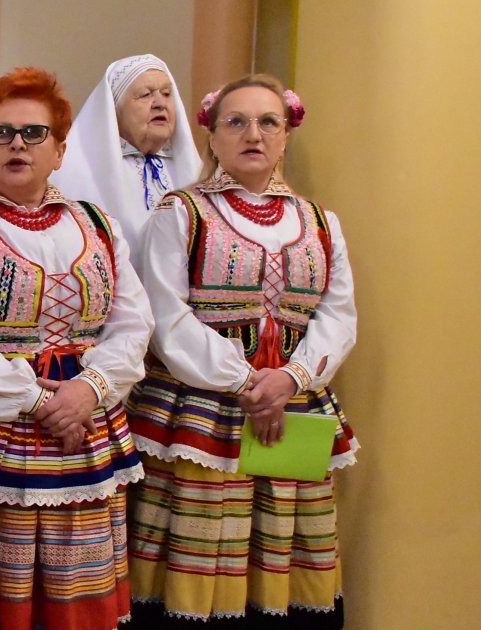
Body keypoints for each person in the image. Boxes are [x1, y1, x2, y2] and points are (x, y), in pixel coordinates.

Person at [0, 67, 154, 630]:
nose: (17, 144)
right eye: (1, 133)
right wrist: (37, 400)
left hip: (86, 433)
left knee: (75, 604)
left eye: (33, 133)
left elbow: (134, 320)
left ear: (61, 149)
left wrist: (88, 390)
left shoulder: (99, 226)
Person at [124, 74, 358, 628]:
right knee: (199, 562)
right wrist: (243, 381)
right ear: (211, 135)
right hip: (201, 414)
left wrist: (291, 378)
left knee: (278, 554)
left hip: (292, 409)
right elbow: (165, 312)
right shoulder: (181, 213)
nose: (253, 134)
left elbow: (338, 313)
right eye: (236, 122)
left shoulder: (322, 223)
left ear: (285, 136)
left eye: (267, 122)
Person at [50, 54, 201, 267]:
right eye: (145, 95)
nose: (160, 103)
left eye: (167, 94)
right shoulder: (78, 173)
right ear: (114, 110)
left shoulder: (189, 169)